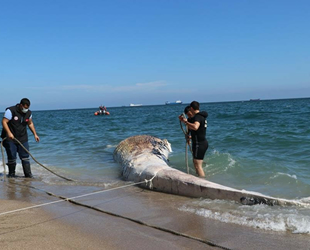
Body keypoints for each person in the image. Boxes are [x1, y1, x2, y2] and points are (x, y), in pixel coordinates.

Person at [1, 98, 40, 178]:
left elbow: (30, 123)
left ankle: (28, 175)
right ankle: (11, 175)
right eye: (25, 108)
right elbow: (4, 122)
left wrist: (35, 134)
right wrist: (9, 133)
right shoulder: (11, 111)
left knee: (25, 157)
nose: (26, 109)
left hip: (22, 138)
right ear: (21, 105)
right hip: (10, 138)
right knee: (12, 157)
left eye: (27, 108)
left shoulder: (29, 113)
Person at [179, 101, 208, 178]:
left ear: (191, 108)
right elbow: (197, 131)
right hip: (200, 143)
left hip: (200, 143)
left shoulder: (197, 117)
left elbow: (195, 127)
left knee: (198, 165)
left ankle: (203, 183)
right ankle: (198, 178)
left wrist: (185, 122)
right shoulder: (201, 117)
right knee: (196, 163)